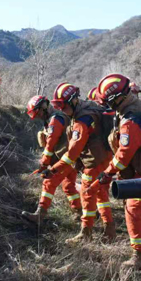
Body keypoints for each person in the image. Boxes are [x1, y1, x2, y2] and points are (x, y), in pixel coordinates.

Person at [96, 73, 141, 269]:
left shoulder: (131, 119)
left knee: (133, 208)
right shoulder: (137, 107)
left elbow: (124, 153)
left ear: (117, 98)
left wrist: (108, 172)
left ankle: (139, 256)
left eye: (109, 102)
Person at [48, 83, 116, 242]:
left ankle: (86, 233)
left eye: (63, 106)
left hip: (94, 161)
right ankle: (109, 229)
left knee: (87, 194)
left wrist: (53, 169)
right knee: (100, 193)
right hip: (104, 156)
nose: (61, 111)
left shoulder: (81, 121)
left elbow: (71, 153)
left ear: (73, 101)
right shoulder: (89, 107)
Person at [21, 94, 82, 224]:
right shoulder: (58, 116)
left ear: (44, 107)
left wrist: (43, 163)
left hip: (65, 159)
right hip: (71, 158)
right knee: (68, 186)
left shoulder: (55, 120)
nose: (38, 117)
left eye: (38, 114)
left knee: (49, 182)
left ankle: (39, 215)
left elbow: (50, 145)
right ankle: (80, 211)